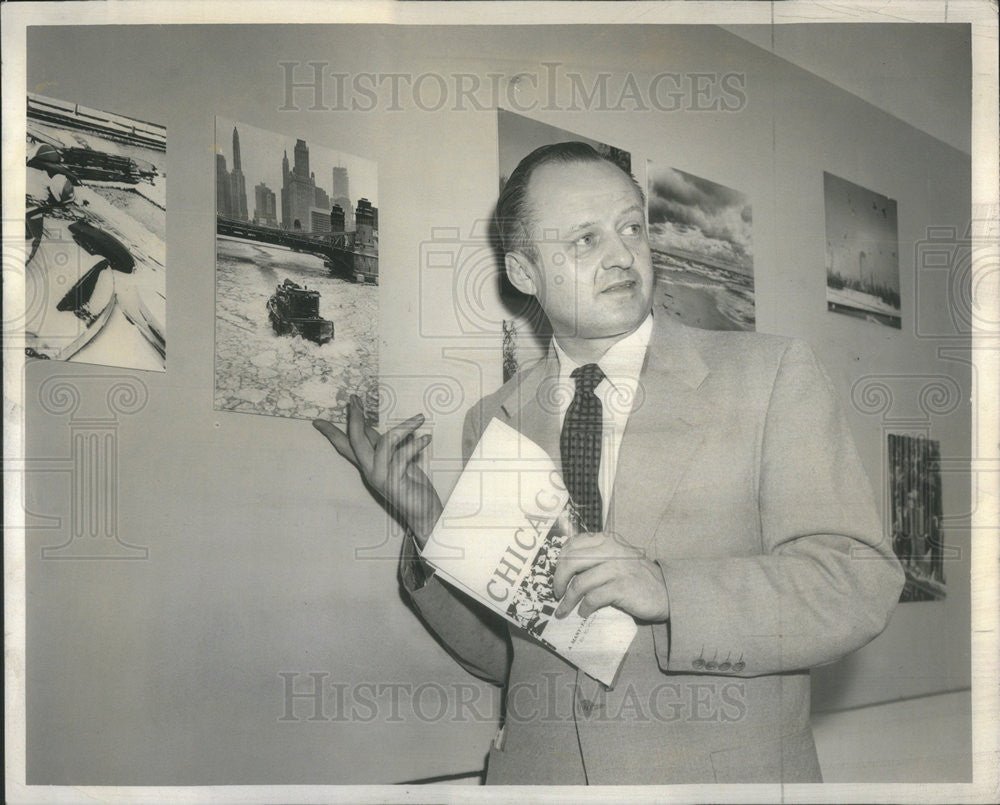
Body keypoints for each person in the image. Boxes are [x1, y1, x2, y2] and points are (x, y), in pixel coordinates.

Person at [314, 142, 904, 784]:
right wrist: (430, 523)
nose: (622, 254)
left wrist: (670, 590)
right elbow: (514, 661)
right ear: (524, 272)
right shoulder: (494, 419)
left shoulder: (770, 376)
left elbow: (858, 585)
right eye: (584, 239)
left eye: (631, 228)